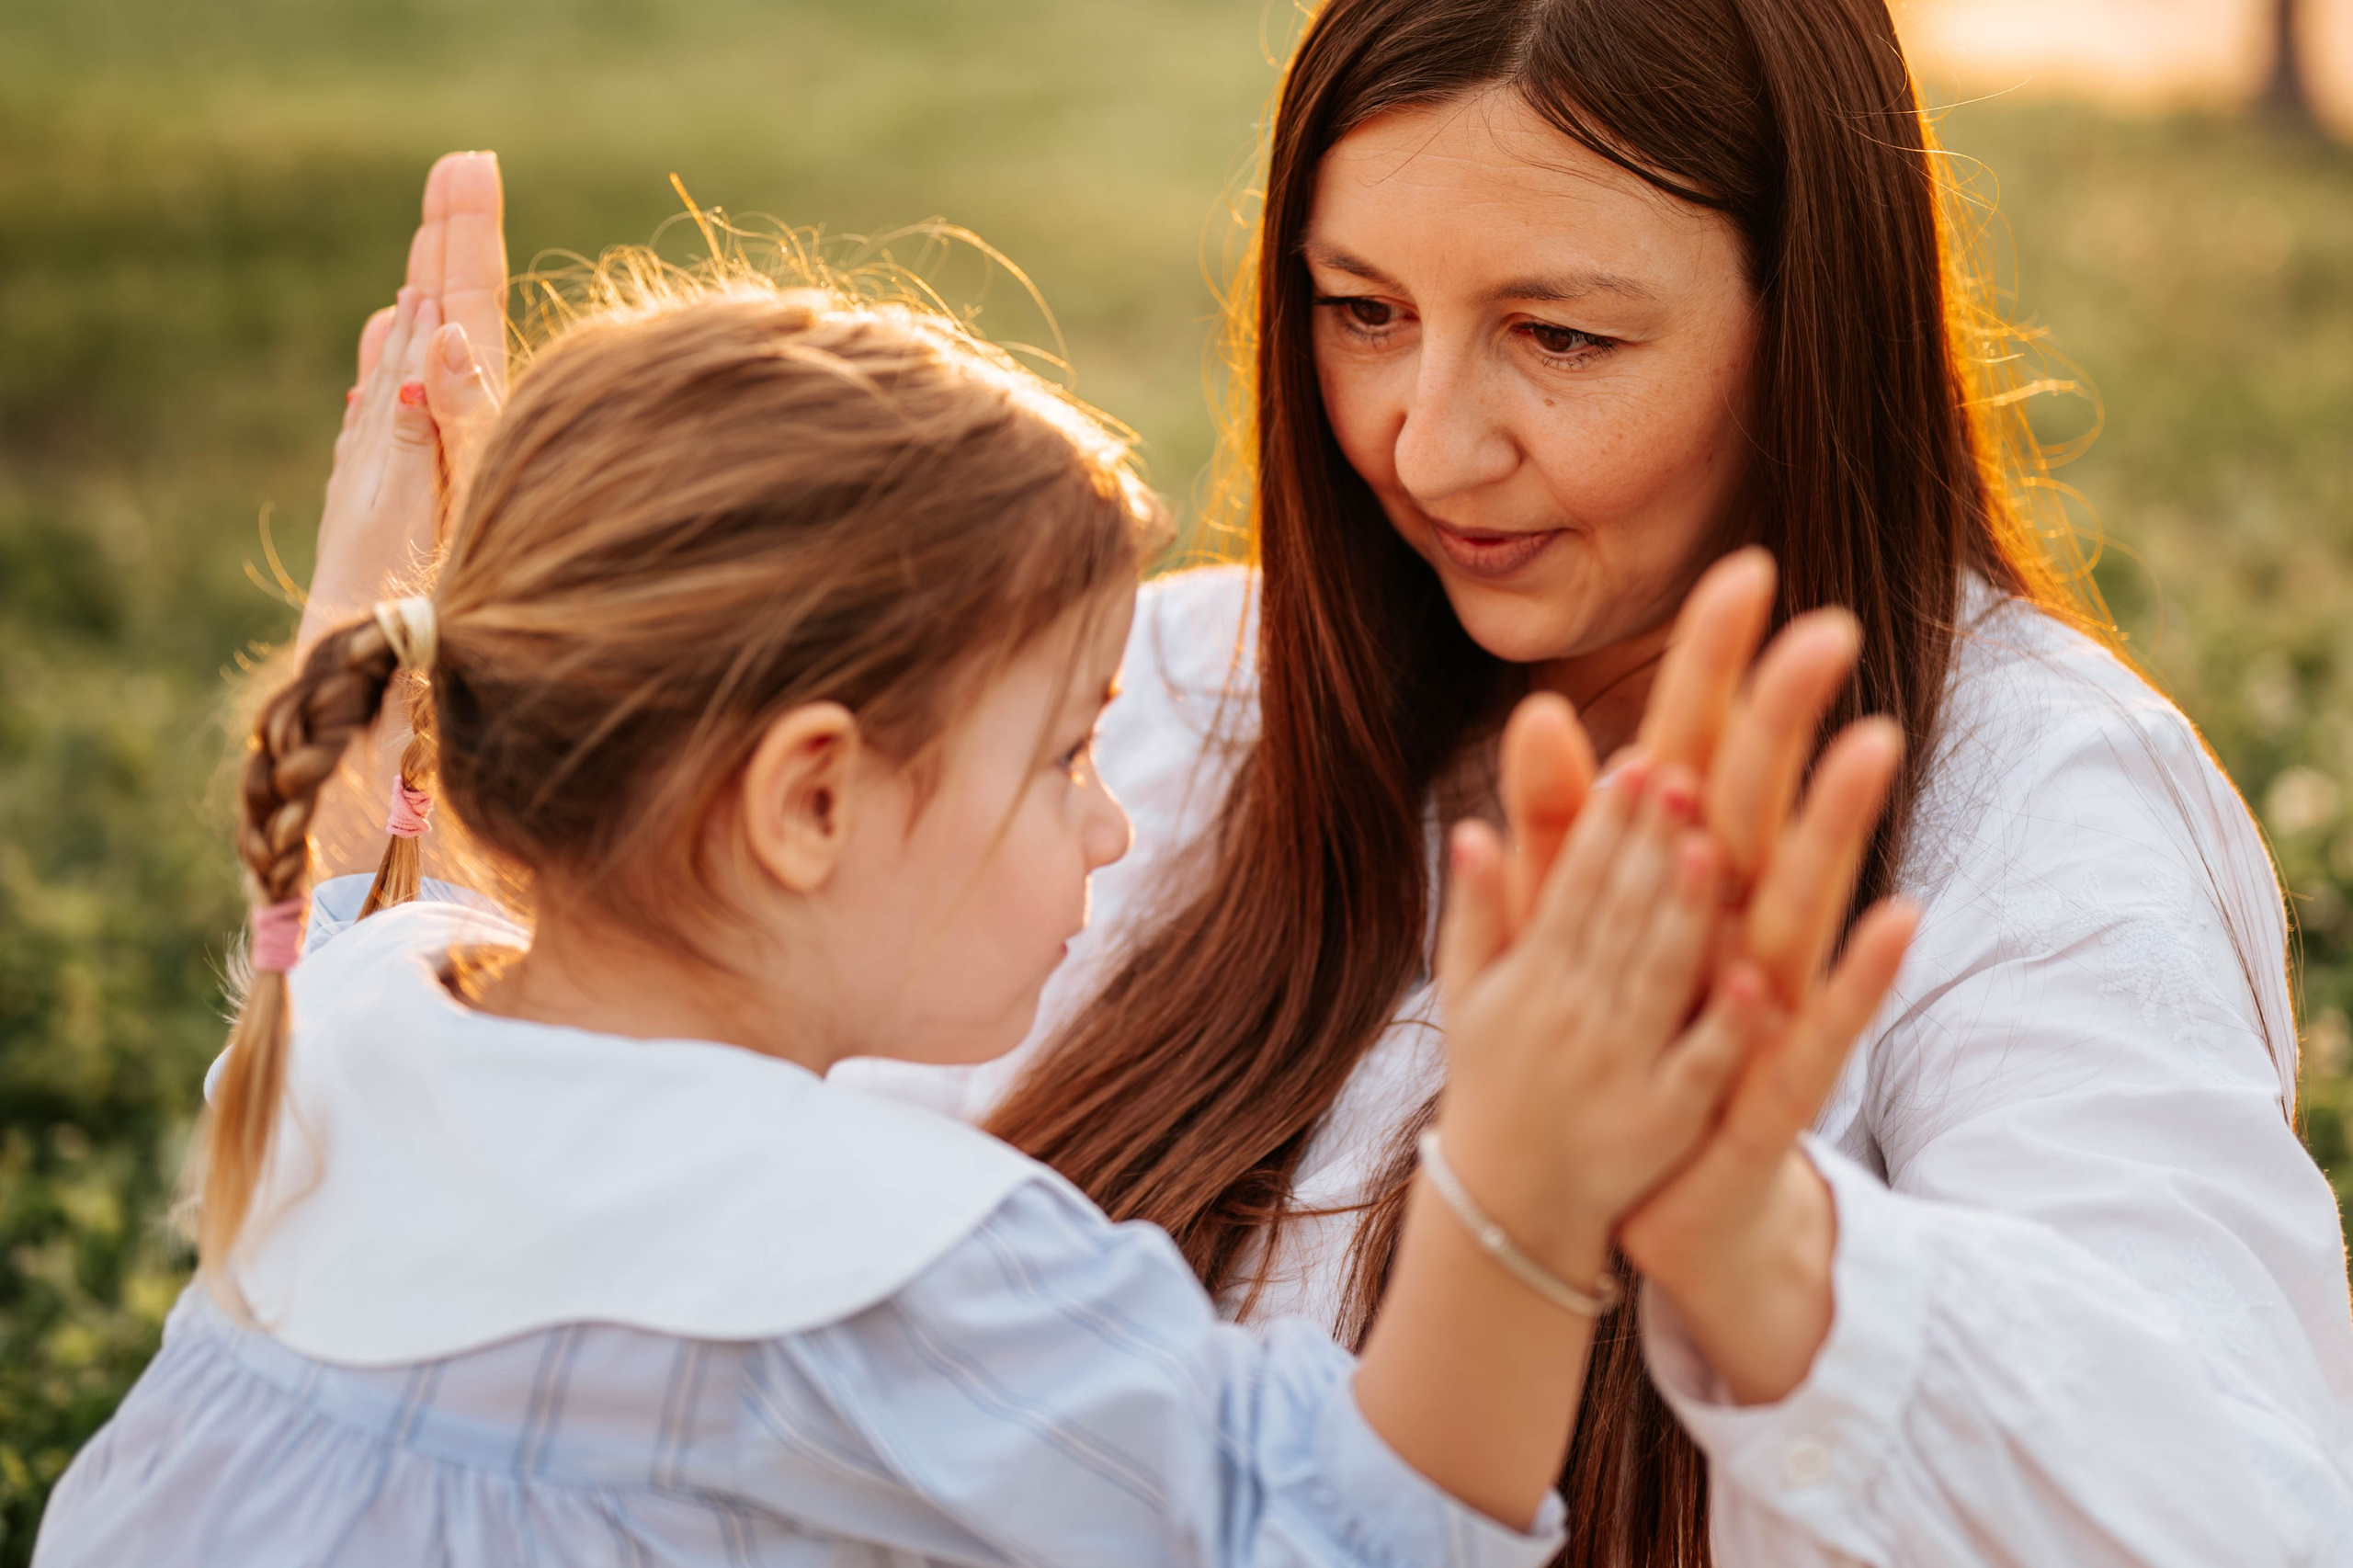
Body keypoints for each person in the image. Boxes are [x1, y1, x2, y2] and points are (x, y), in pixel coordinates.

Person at [320, 0, 2353, 1557]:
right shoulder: (1182, 692)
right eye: (1356, 312)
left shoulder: (2036, 812)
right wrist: (476, 769)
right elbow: (663, 1226)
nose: (1423, 444)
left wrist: (1756, 1236)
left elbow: (2239, 1503)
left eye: (1555, 338)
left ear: (1802, 319)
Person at [32, 269, 1912, 1563]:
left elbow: (392, 882)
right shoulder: (867, 1266)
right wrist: (1523, 1176)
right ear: (811, 796)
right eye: (1064, 754)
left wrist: (414, 595)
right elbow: (1346, 1534)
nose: (1108, 822)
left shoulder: (353, 1019)